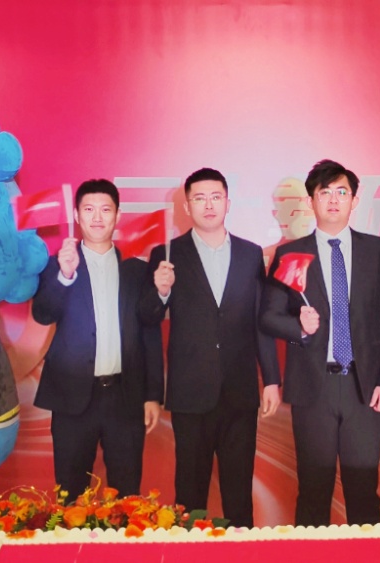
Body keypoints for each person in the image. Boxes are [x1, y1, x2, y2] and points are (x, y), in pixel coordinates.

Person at [260, 159, 380, 526]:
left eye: (342, 192)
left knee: (363, 489)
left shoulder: (379, 251)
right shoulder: (290, 254)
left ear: (355, 200)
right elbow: (268, 316)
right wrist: (299, 326)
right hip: (314, 387)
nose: (334, 200)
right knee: (313, 488)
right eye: (324, 193)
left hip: (365, 386)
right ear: (310, 201)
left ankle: (367, 552)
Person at [140, 167, 280, 528]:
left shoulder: (250, 254)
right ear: (187, 206)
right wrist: (161, 291)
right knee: (190, 493)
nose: (208, 205)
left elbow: (261, 321)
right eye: (199, 198)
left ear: (228, 203)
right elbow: (147, 318)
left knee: (238, 492)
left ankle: (243, 550)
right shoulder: (167, 254)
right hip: (190, 393)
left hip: (240, 391)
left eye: (216, 197)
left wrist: (271, 379)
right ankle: (188, 550)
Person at [32, 179, 163, 501]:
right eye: (89, 209)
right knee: (70, 494)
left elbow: (149, 332)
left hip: (125, 396)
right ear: (77, 215)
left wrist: (152, 395)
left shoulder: (135, 270)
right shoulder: (59, 264)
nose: (97, 217)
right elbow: (43, 313)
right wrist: (65, 275)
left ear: (117, 215)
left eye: (106, 210)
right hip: (73, 397)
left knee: (127, 493)